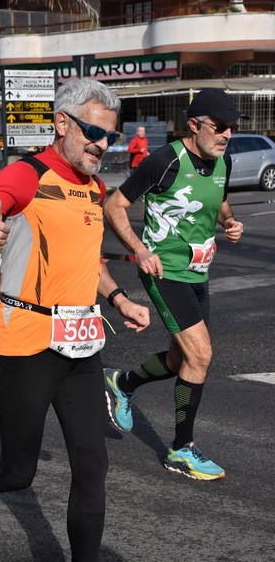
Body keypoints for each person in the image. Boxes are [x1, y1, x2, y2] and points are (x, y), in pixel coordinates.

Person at [0, 78, 150, 562]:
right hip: (26, 343)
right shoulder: (26, 176)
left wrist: (119, 297)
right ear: (62, 123)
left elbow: (88, 260)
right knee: (17, 470)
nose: (102, 144)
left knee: (92, 463)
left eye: (109, 136)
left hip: (81, 344)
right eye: (92, 132)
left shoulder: (93, 186)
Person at [103, 88, 245, 481]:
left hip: (199, 273)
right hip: (165, 274)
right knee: (201, 355)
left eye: (231, 128)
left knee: (181, 359)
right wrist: (139, 251)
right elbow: (114, 206)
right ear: (194, 125)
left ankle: (122, 383)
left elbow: (219, 200)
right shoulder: (165, 160)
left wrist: (228, 223)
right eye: (220, 127)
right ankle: (181, 449)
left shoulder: (222, 161)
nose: (227, 135)